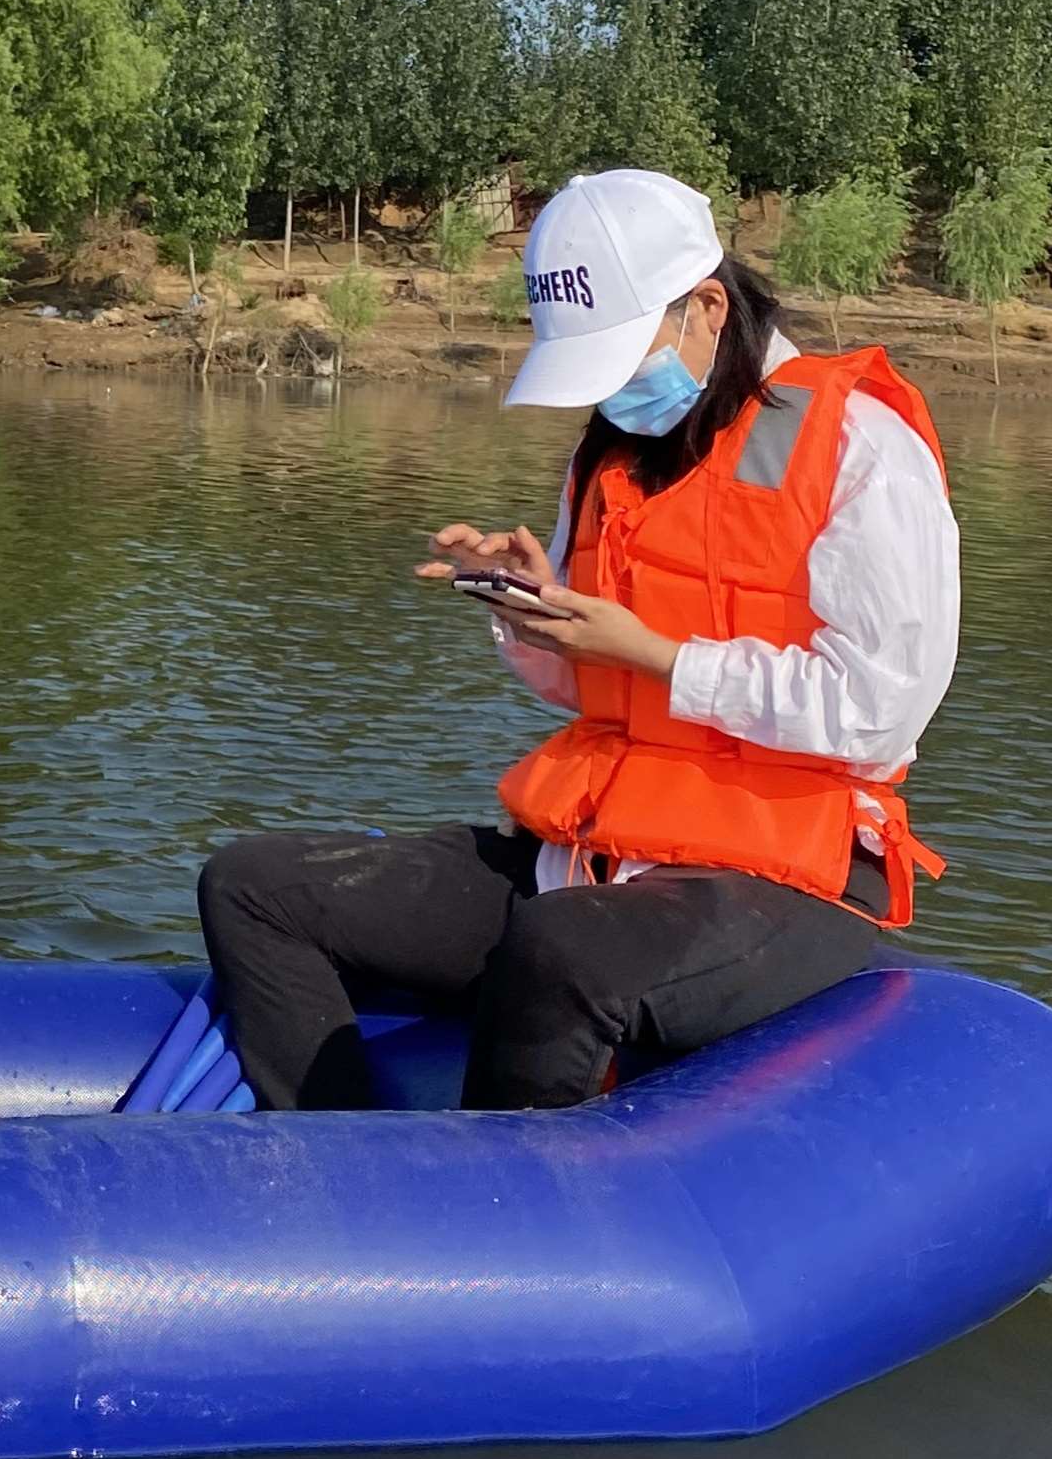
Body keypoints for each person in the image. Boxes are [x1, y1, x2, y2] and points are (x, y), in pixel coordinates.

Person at [199, 166, 959, 1112]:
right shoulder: (611, 451)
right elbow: (583, 682)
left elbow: (877, 714)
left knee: (561, 952)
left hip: (780, 878)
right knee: (253, 886)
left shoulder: (862, 448)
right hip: (594, 855)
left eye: (620, 360)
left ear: (707, 308)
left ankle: (490, 1221)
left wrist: (658, 656)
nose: (609, 399)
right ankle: (353, 1171)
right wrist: (532, 607)